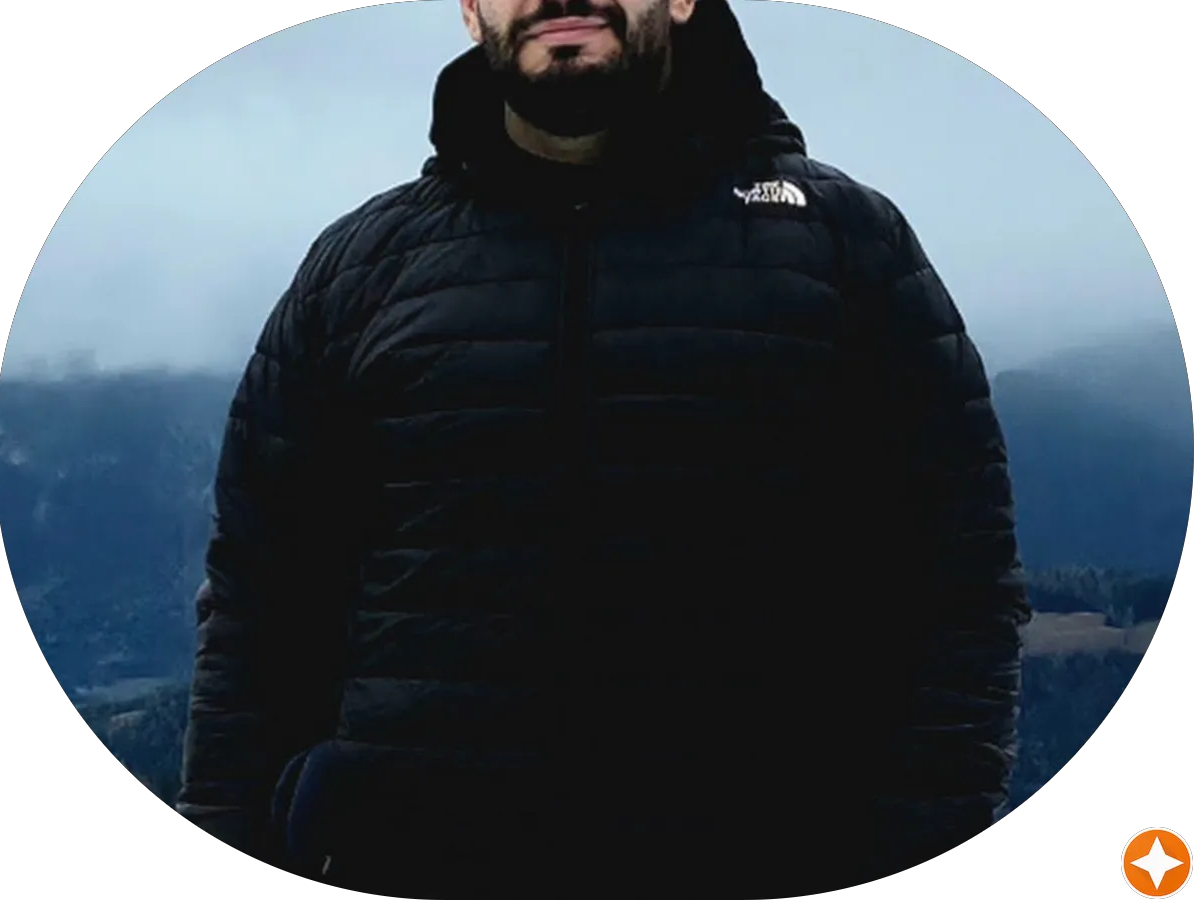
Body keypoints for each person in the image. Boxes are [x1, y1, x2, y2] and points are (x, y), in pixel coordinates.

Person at [175, 0, 1033, 895]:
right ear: (469, 10)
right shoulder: (359, 274)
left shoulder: (845, 248)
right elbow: (260, 603)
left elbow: (959, 584)